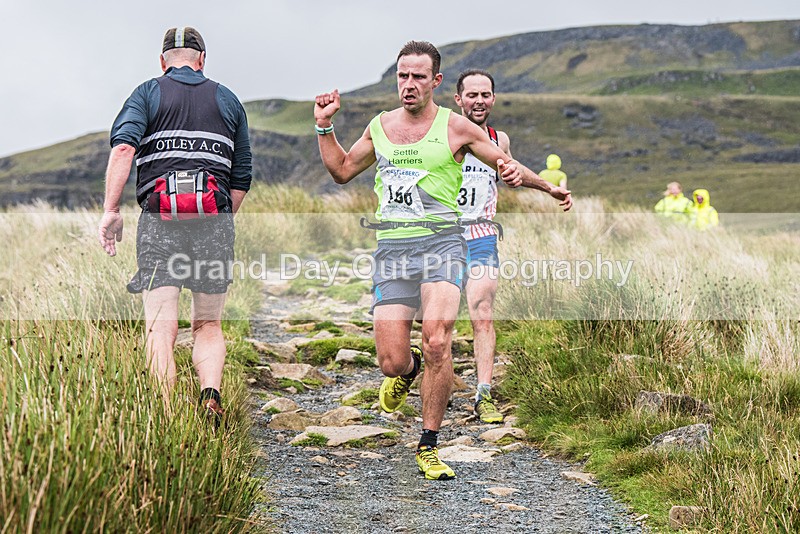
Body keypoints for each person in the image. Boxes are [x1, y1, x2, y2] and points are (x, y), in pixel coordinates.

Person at [314, 41, 571, 480]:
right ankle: (406, 372)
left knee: (438, 339)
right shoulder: (380, 127)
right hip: (393, 250)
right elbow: (340, 170)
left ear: (435, 81)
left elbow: (506, 164)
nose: (408, 85)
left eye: (418, 77)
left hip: (442, 246)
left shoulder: (456, 128)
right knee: (392, 361)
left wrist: (544, 187)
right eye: (402, 76)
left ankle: (429, 444)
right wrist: (324, 127)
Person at [97, 27, 252, 427]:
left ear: (162, 60)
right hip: (213, 221)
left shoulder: (148, 92)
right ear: (202, 59)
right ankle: (210, 396)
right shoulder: (228, 99)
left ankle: (167, 417)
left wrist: (111, 209)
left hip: (158, 223)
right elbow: (242, 176)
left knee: (160, 327)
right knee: (208, 323)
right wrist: (219, 221)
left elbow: (124, 148)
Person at [453, 70, 572, 425]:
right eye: (471, 95)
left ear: (492, 98)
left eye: (485, 95)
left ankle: (483, 394)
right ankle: (415, 370)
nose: (478, 101)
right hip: (441, 236)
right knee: (431, 322)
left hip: (481, 234)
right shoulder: (440, 133)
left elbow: (511, 167)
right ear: (458, 99)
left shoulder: (498, 138)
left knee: (483, 310)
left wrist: (546, 188)